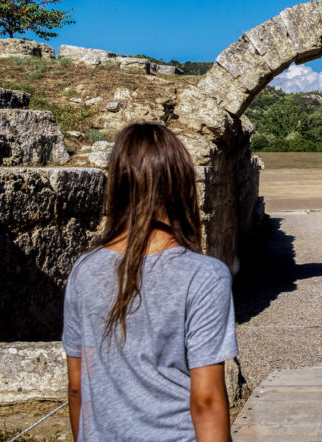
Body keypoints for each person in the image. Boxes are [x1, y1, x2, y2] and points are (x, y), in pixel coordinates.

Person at [62, 123, 237, 441]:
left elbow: (77, 386)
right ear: (182, 184)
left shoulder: (83, 271)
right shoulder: (204, 276)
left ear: (118, 184)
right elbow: (206, 400)